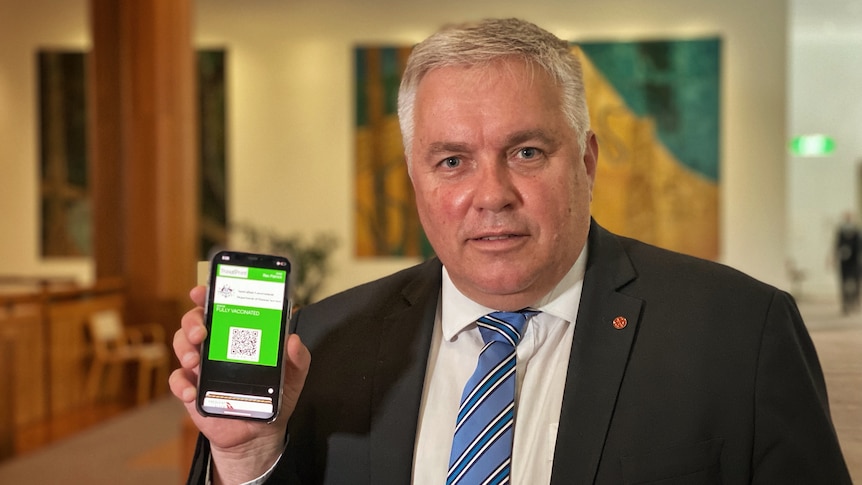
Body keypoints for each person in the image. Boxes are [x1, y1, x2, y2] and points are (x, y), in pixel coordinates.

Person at [170, 18, 852, 484]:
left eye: (526, 152)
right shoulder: (322, 344)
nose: (490, 193)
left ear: (586, 161)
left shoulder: (742, 333)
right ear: (415, 180)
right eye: (452, 160)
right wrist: (252, 453)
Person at [835, 211, 861, 314]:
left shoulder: (856, 232)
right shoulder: (841, 232)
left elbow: (859, 246)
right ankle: (845, 303)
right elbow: (837, 245)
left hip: (855, 261)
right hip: (844, 262)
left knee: (855, 282)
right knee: (844, 282)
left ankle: (854, 301)